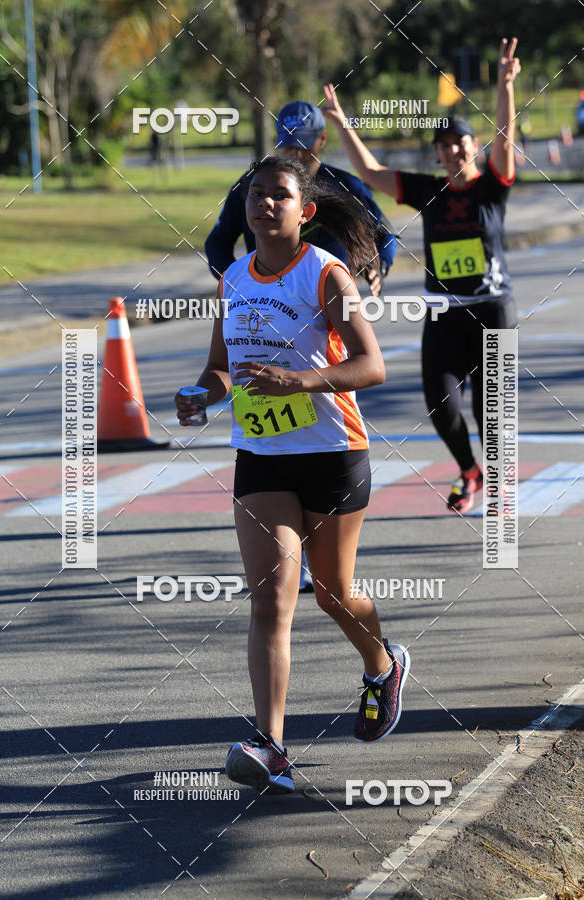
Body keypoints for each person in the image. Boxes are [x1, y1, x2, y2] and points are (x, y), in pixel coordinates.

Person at [176, 156, 410, 794]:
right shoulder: (232, 280)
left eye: (279, 195)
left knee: (334, 593)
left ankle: (382, 665)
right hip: (262, 459)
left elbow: (372, 365)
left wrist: (302, 380)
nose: (263, 205)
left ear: (304, 211)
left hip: (333, 453)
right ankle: (271, 743)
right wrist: (201, 394)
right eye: (256, 194)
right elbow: (221, 367)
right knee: (272, 599)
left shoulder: (326, 275)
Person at [323, 38, 521, 513]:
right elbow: (370, 171)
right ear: (437, 153)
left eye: (461, 142)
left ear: (474, 148)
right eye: (445, 145)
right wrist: (343, 125)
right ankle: (469, 470)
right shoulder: (429, 191)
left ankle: (498, 486)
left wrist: (505, 86)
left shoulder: (491, 189)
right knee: (443, 406)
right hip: (443, 314)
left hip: (493, 311)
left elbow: (506, 140)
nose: (453, 150)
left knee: (489, 411)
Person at [204, 101, 396, 297]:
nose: (296, 151)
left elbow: (383, 233)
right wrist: (236, 283)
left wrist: (378, 266)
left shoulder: (346, 185)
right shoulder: (253, 186)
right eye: (288, 143)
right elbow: (218, 242)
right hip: (269, 299)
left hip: (330, 299)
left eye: (304, 143)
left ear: (322, 138)